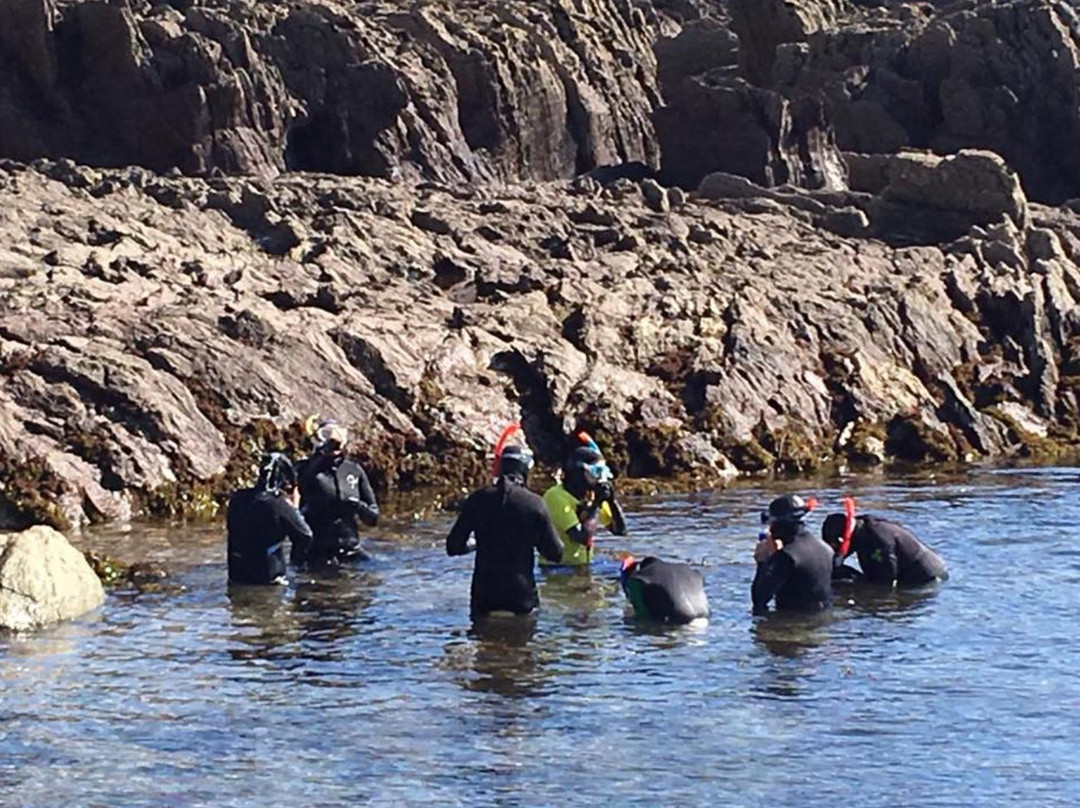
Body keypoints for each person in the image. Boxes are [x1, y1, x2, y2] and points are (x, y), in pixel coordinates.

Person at [445, 445, 564, 619]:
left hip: (484, 597)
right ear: (525, 470)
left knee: (482, 641)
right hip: (521, 597)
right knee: (522, 643)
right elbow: (556, 553)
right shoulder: (534, 504)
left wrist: (476, 544)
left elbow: (453, 547)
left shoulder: (477, 499)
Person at [295, 419, 379, 566]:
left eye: (338, 436)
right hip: (317, 551)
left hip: (350, 548)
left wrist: (358, 506)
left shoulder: (353, 470)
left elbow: (373, 518)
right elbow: (305, 481)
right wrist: (323, 453)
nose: (334, 442)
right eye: (326, 435)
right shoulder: (304, 469)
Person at [227, 453, 312, 585]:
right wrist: (294, 509)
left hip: (237, 577)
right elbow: (305, 535)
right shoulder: (278, 504)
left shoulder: (237, 499)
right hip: (269, 579)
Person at [541, 441, 627, 566]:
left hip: (582, 566)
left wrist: (611, 501)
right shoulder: (556, 497)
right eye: (596, 472)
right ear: (579, 472)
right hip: (558, 569)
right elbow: (582, 537)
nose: (599, 478)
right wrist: (597, 503)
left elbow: (620, 530)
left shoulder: (591, 495)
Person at [751, 494, 833, 615]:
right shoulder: (824, 548)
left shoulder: (787, 556)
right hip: (822, 620)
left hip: (792, 625)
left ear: (778, 525)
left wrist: (762, 562)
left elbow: (759, 600)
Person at [821, 511, 948, 587]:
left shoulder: (879, 539)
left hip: (924, 577)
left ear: (840, 540)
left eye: (834, 546)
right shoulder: (859, 530)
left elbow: (886, 582)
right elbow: (836, 561)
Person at [620, 555, 709, 624]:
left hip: (679, 621)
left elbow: (641, 614)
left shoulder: (641, 578)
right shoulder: (686, 569)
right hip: (704, 616)